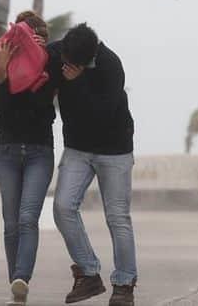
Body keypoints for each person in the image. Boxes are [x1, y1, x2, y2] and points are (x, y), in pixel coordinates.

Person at [48, 23, 138, 306]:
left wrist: (78, 82)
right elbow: (32, 56)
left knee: (117, 217)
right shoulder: (63, 50)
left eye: (73, 65)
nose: (65, 65)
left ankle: (124, 284)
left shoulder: (111, 65)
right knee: (62, 207)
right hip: (77, 148)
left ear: (89, 58)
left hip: (114, 150)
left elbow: (102, 114)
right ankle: (88, 274)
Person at [0, 11, 59, 306]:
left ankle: (21, 279)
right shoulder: (2, 63)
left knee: (28, 218)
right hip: (8, 150)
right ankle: (16, 287)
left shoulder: (50, 67)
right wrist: (3, 72)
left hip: (40, 150)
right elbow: (4, 106)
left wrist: (41, 59)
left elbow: (39, 104)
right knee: (11, 222)